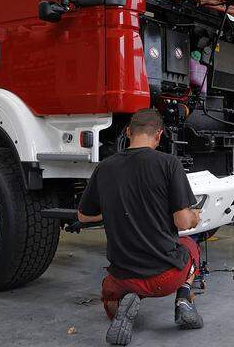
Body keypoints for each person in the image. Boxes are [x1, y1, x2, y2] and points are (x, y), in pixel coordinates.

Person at [77, 108, 203, 346]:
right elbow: (183, 222)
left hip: (121, 277)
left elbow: (83, 216)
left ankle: (126, 303)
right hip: (164, 277)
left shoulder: (104, 167)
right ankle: (184, 299)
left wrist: (113, 205)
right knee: (190, 246)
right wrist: (195, 216)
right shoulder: (169, 164)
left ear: (128, 132)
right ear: (159, 135)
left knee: (111, 294)